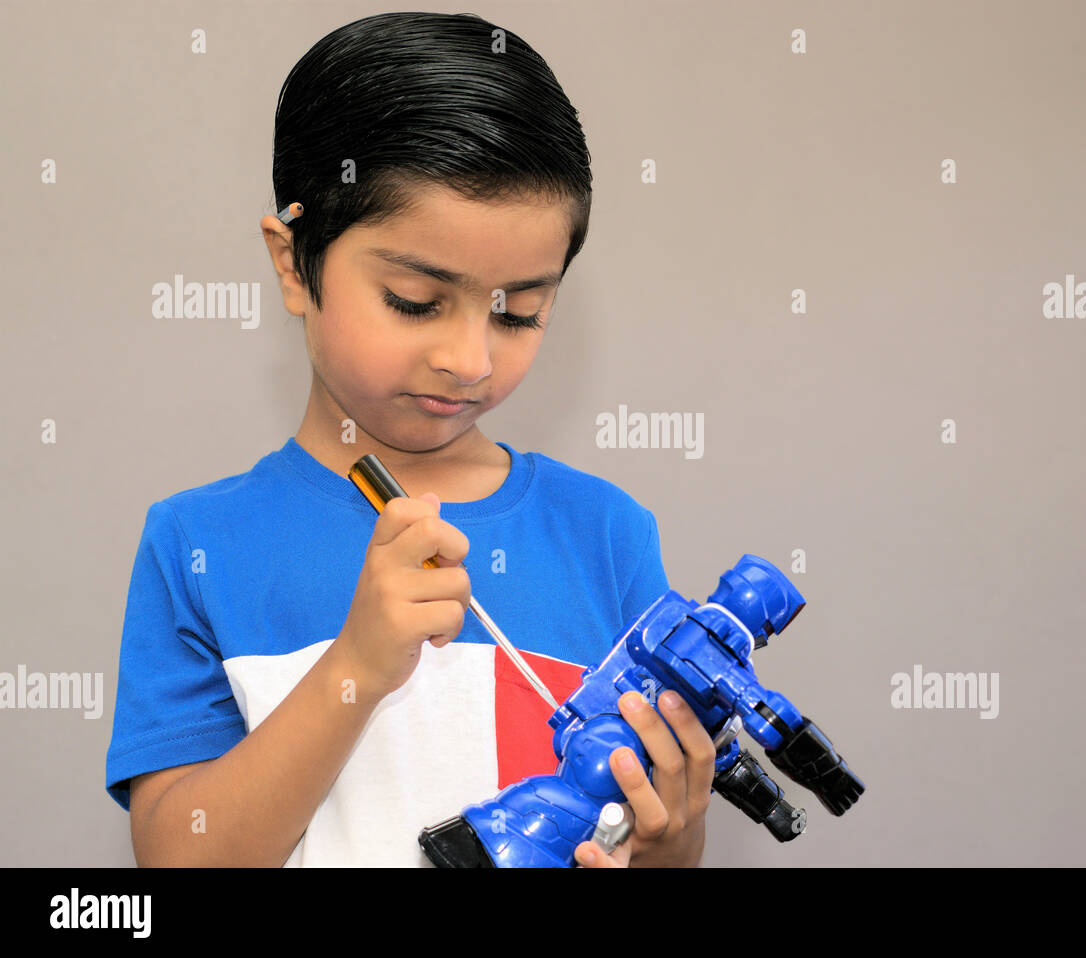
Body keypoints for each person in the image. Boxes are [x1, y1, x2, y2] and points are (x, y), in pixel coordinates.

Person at [104, 11, 713, 867]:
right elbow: (180, 858)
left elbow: (651, 844)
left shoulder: (606, 534)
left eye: (520, 312)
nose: (468, 360)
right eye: (415, 301)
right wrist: (355, 665)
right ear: (292, 262)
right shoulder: (199, 544)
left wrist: (671, 834)